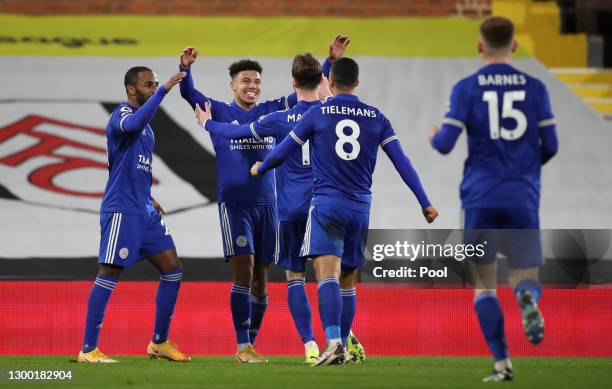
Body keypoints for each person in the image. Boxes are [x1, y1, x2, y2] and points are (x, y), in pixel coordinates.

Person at [252, 57, 438, 366]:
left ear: (331, 83)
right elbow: (401, 161)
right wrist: (424, 202)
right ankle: (345, 346)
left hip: (326, 205)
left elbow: (284, 150)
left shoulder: (318, 113)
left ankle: (334, 341)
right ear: (357, 83)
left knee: (327, 274)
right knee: (349, 279)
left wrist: (261, 166)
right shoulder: (377, 117)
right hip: (360, 208)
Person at [179, 36, 349, 363]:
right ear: (232, 85)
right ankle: (242, 346)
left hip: (269, 205)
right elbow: (189, 95)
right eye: (246, 81)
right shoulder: (218, 109)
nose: (252, 86)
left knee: (262, 280)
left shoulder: (272, 110)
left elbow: (309, 91)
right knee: (244, 271)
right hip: (235, 203)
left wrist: (328, 62)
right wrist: (185, 69)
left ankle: (251, 344)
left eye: (257, 81)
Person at [429, 16, 558, 382]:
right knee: (524, 274)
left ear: (479, 46)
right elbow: (551, 145)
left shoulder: (467, 88)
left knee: (484, 283)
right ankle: (527, 297)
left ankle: (502, 364)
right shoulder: (536, 88)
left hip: (480, 196)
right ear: (514, 46)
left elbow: (444, 145)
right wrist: (525, 168)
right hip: (522, 194)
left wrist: (435, 134)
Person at [77, 67, 190, 363]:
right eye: (148, 84)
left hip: (144, 210)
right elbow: (134, 123)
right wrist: (165, 89)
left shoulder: (147, 128)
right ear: (131, 89)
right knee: (109, 273)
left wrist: (149, 197)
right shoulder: (123, 115)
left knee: (173, 269)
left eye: (155, 84)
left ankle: (159, 342)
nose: (153, 88)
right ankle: (88, 350)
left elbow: (130, 165)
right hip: (122, 211)